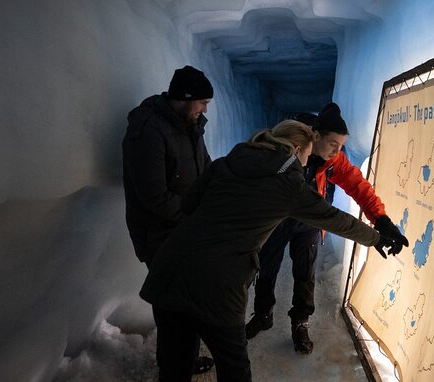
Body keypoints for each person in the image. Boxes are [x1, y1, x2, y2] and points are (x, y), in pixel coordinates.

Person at [139, 120, 409, 382]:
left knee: (174, 365)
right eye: (306, 155)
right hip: (219, 283)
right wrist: (376, 238)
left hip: (170, 265)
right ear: (295, 149)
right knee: (233, 367)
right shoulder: (289, 186)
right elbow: (336, 219)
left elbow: (189, 204)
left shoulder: (228, 161)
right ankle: (263, 314)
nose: (306, 163)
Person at [246, 103, 402, 354]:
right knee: (266, 268)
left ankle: (300, 322)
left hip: (308, 222)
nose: (338, 151)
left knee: (305, 274)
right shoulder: (288, 147)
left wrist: (380, 219)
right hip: (275, 221)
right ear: (315, 136)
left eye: (341, 146)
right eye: (333, 144)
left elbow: (357, 185)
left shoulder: (333, 159)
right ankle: (263, 314)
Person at [122, 65, 215, 374]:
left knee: (188, 308)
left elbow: (204, 165)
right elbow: (155, 198)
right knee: (176, 313)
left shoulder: (189, 123)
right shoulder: (148, 130)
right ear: (185, 98)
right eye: (202, 102)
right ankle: (175, 369)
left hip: (184, 233)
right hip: (161, 237)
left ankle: (182, 362)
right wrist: (197, 215)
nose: (204, 110)